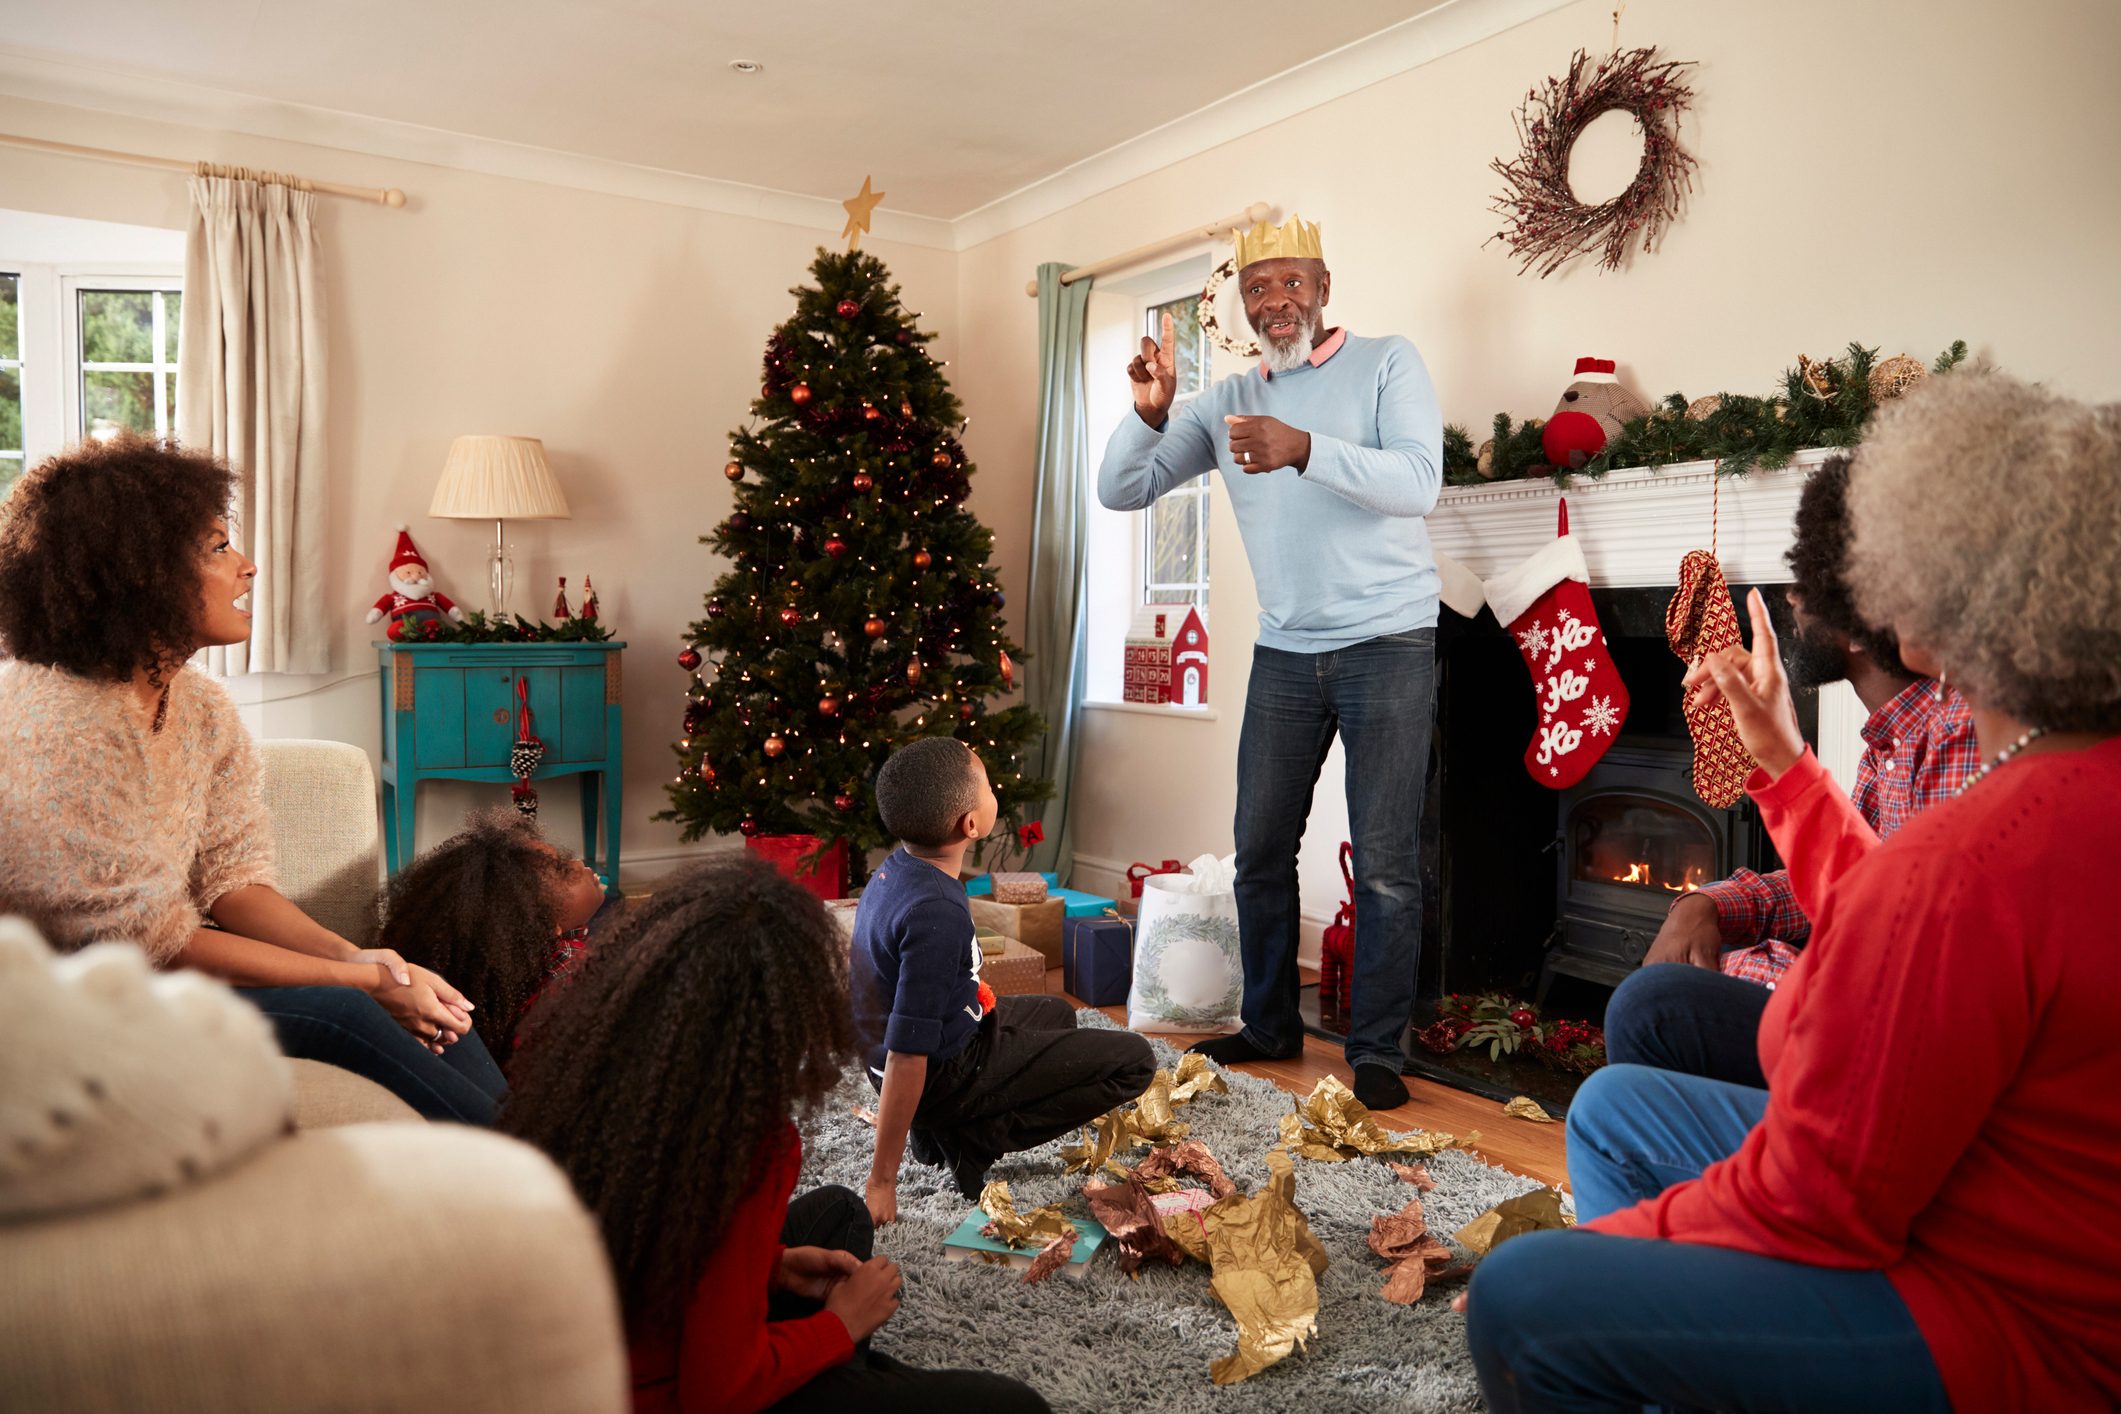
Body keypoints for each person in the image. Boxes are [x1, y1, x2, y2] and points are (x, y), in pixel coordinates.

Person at [1460, 371, 2121, 1411]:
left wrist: (1622, 1259)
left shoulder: (1976, 854)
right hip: (2001, 1218)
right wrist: (1780, 763)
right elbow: (1897, 921)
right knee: (1623, 1101)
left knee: (1521, 1298)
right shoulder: (2059, 791)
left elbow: (1819, 1203)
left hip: (2009, 1323)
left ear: (1923, 614)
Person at [0, 435, 506, 1123]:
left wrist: (367, 959)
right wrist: (355, 982)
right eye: (216, 549)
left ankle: (562, 1170)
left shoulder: (200, 705)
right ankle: (546, 1185)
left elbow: (232, 880)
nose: (248, 567)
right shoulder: (59, 723)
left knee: (422, 993)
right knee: (345, 1009)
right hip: (54, 1007)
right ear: (139, 575)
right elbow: (151, 945)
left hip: (144, 980)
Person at [1096, 215, 1443, 1111]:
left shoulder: (1386, 361)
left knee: (1386, 863)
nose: (1275, 300)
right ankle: (1269, 1025)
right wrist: (1148, 414)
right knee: (1257, 850)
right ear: (1242, 305)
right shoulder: (1223, 398)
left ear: (1322, 284)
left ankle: (1376, 1050)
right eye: (1258, 287)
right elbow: (1122, 489)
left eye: (1290, 282)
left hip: (1388, 643)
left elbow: (1418, 482)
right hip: (1287, 652)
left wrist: (1306, 450)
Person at [500, 855, 1049, 1414]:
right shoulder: (745, 1149)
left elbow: (668, 1257)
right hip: (661, 1395)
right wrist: (839, 1326)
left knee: (839, 1213)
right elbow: (718, 1392)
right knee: (1013, 1405)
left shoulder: (584, 1070)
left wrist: (771, 1267)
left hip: (610, 1342)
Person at [1614, 453, 1980, 1086]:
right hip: (1854, 1010)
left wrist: (1750, 963)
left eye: (1808, 585)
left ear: (1862, 621)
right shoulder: (1891, 739)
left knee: (1650, 1011)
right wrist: (1706, 904)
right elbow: (1833, 887)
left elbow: (1899, 956)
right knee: (1636, 1041)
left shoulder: (1954, 736)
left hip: (1893, 1054)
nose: (1792, 599)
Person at [854, 736, 1154, 1221]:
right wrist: (881, 1180)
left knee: (1058, 1013)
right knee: (1136, 1062)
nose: (996, 792)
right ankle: (973, 1136)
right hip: (939, 1072)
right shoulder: (934, 912)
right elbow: (908, 1053)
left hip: (934, 1048)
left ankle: (935, 1131)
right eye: (989, 786)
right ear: (971, 824)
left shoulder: (898, 869)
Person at [374, 809, 611, 1054]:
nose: (578, 863)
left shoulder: (525, 967)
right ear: (547, 925)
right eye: (563, 869)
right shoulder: (568, 979)